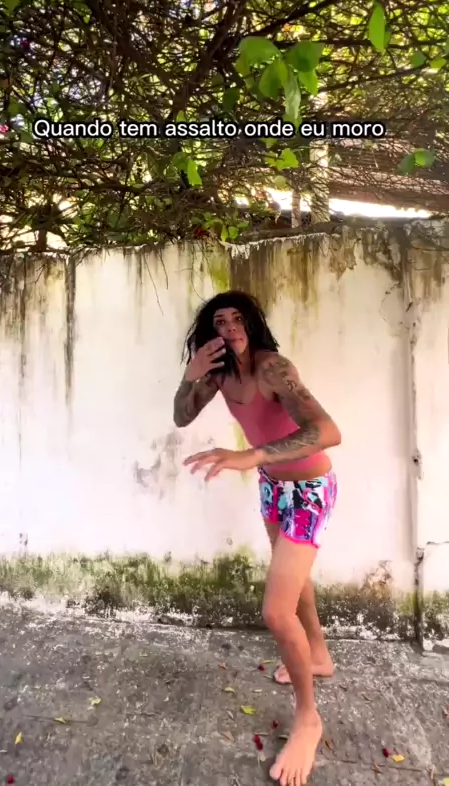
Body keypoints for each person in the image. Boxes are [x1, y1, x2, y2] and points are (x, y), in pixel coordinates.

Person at [173, 290, 341, 786]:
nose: (229, 328)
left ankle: (308, 719)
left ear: (251, 324)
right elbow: (182, 415)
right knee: (294, 583)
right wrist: (188, 377)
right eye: (219, 322)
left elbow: (328, 431)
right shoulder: (218, 375)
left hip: (310, 490)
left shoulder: (273, 369)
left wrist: (253, 455)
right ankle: (318, 654)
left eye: (237, 319)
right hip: (274, 488)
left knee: (275, 611)